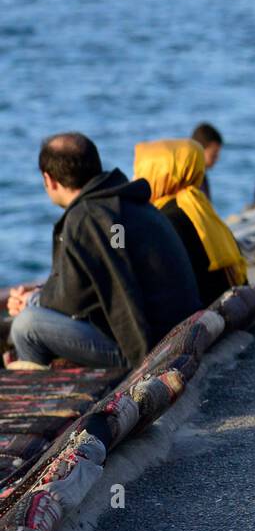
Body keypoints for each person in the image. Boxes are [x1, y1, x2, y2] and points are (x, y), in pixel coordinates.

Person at [6, 133, 202, 371]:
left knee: (26, 325)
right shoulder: (130, 203)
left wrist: (31, 301)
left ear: (49, 179)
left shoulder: (87, 217)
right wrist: (41, 293)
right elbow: (101, 282)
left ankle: (40, 401)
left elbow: (72, 302)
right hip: (175, 335)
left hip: (143, 349)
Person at [134, 139, 248, 305]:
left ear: (160, 173)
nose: (135, 178)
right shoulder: (202, 208)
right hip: (229, 305)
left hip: (199, 318)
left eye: (140, 171)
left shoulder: (164, 219)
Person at [192, 122, 223, 201]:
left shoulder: (200, 174)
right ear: (200, 151)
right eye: (214, 154)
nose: (217, 159)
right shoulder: (193, 179)